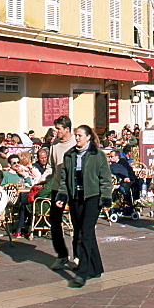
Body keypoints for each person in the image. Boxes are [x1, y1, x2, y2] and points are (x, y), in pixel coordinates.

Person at [53, 125, 112, 288]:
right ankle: (96, 267)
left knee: (85, 233)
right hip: (76, 199)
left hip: (92, 197)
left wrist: (106, 198)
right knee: (82, 233)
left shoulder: (97, 155)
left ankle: (82, 272)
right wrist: (62, 196)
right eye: (76, 135)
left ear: (88, 137)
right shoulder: (70, 155)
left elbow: (105, 179)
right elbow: (65, 180)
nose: (77, 138)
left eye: (80, 135)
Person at [47, 115, 77, 272]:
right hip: (58, 188)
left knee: (77, 222)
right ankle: (62, 254)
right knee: (55, 221)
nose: (55, 131)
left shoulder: (76, 143)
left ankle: (78, 255)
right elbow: (51, 167)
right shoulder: (55, 144)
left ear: (67, 129)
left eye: (58, 128)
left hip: (74, 188)